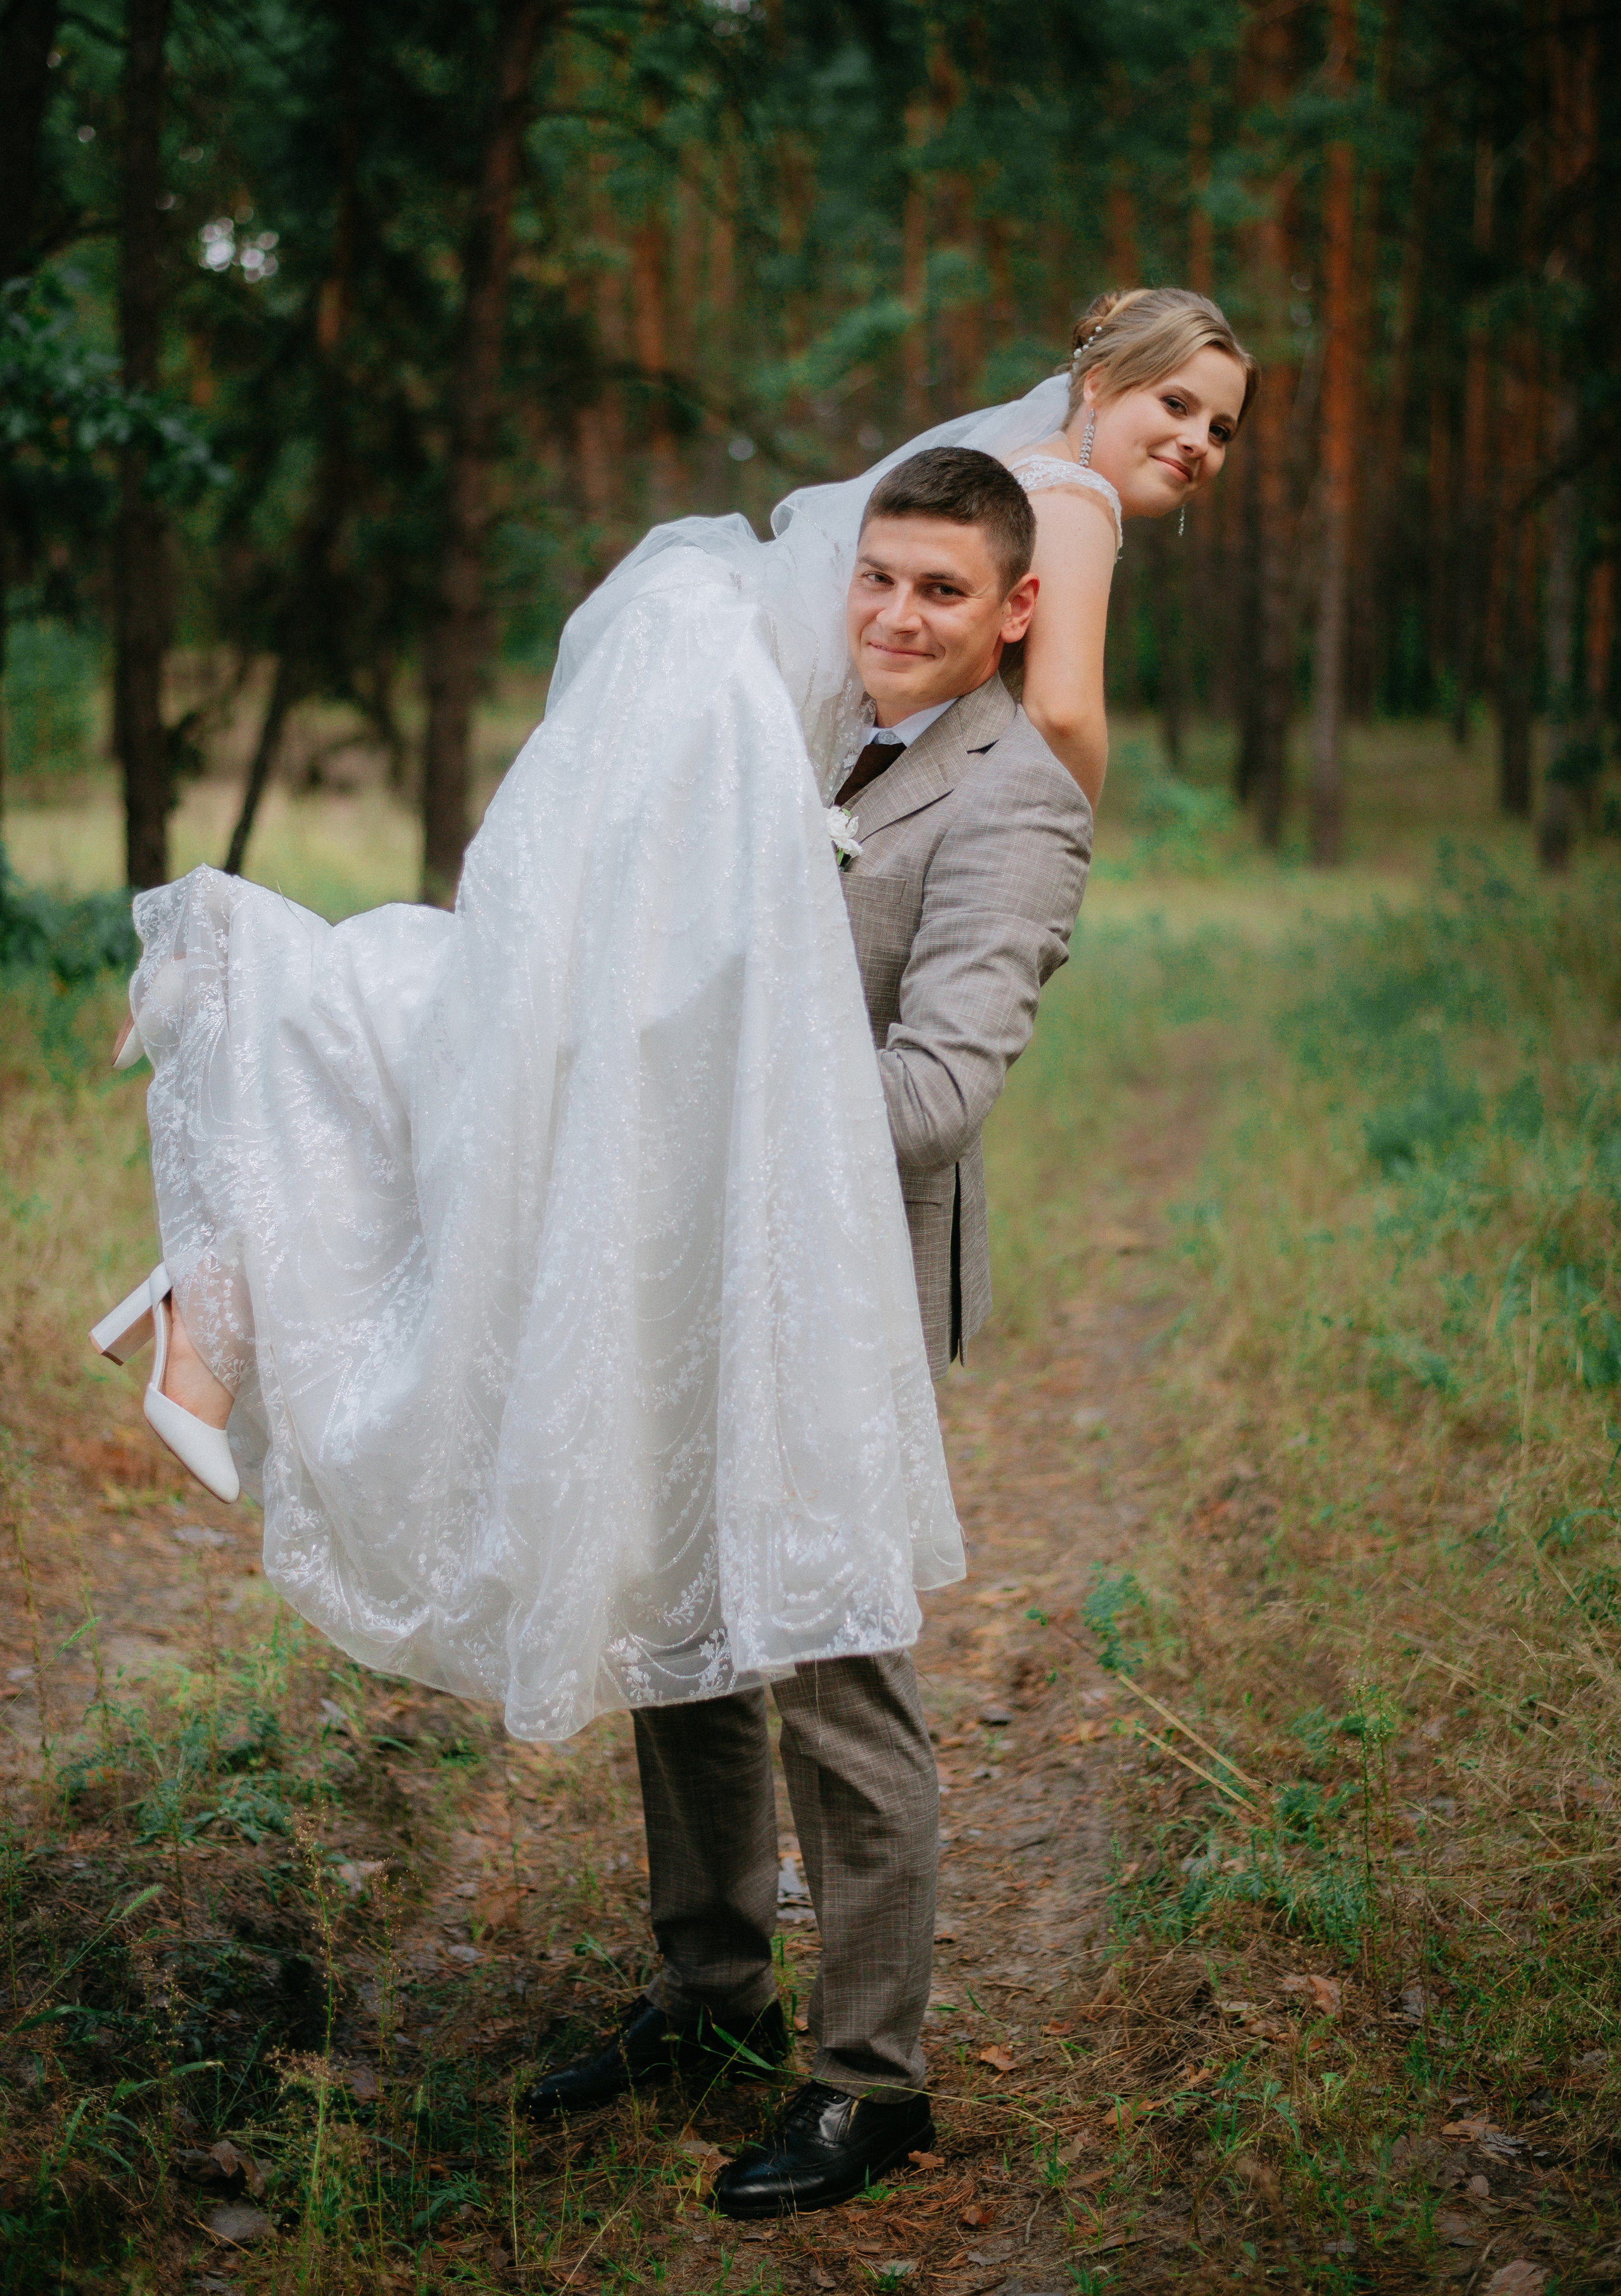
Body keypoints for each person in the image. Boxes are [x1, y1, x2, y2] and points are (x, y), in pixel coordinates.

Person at [89, 284, 1252, 2204]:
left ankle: (874, 2072)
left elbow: (937, 1090)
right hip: (693, 1236)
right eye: (875, 577)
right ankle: (709, 1984)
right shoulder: (781, 733)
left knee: (836, 1653)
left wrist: (703, 1106)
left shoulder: (1020, 807)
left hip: (839, 1279)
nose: (891, 617)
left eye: (939, 597)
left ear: (1020, 609)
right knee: (690, 1622)